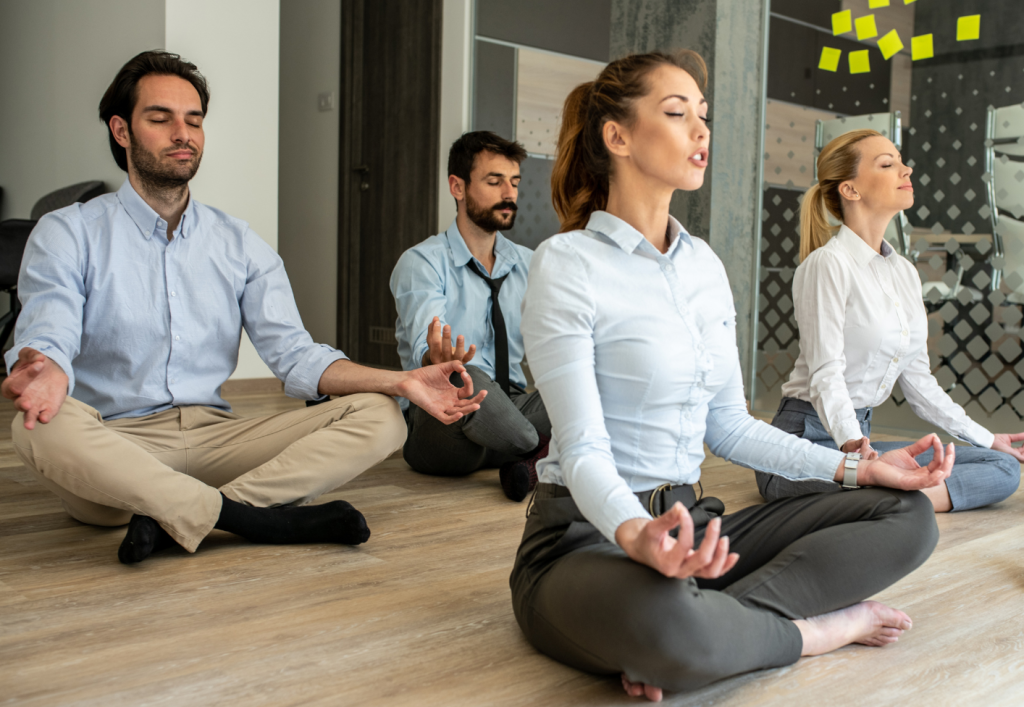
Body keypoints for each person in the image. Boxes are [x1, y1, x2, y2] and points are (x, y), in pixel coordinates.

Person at [510, 49, 955, 700]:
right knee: (662, 617)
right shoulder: (568, 263)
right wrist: (636, 534)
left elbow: (729, 426)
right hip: (586, 540)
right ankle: (814, 630)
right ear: (618, 136)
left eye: (704, 115)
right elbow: (580, 448)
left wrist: (860, 467)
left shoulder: (704, 268)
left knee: (909, 514)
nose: (701, 130)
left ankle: (709, 634)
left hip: (695, 528)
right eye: (676, 112)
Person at [2, 50, 483, 565]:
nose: (182, 133)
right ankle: (250, 517)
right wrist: (45, 367)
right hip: (115, 448)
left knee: (383, 416)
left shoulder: (240, 243)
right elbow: (48, 326)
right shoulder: (69, 231)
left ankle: (185, 513)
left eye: (194, 120)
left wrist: (400, 381)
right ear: (122, 131)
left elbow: (297, 356)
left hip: (216, 442)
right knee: (39, 427)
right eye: (160, 118)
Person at [755, 129, 1021, 513]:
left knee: (1000, 466)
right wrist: (854, 449)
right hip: (805, 443)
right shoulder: (827, 265)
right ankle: (891, 498)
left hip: (860, 441)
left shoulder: (905, 272)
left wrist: (985, 437)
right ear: (851, 190)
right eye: (888, 164)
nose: (906, 169)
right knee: (936, 475)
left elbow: (919, 382)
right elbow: (825, 373)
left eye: (901, 161)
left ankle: (888, 500)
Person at [390, 132, 550, 502]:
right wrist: (438, 361)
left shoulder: (530, 263)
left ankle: (522, 451)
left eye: (514, 182)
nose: (508, 193)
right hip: (447, 422)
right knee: (463, 374)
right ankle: (538, 453)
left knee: (588, 380)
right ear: (457, 187)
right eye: (494, 182)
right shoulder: (422, 262)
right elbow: (426, 351)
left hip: (511, 407)